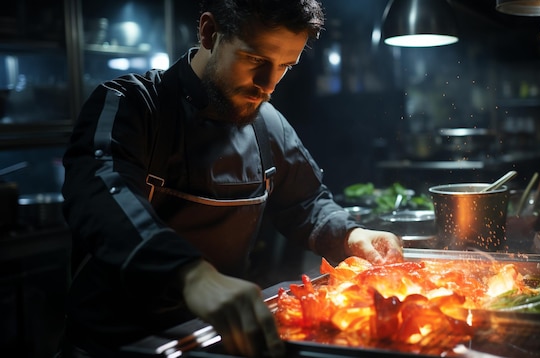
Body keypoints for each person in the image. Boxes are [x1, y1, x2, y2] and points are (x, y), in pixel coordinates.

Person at [57, 0, 403, 357]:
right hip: (115, 345)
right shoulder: (131, 105)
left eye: (284, 66)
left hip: (215, 340)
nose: (267, 85)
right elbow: (103, 193)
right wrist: (190, 275)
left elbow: (306, 203)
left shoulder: (268, 125)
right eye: (255, 60)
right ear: (209, 32)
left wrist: (351, 234)